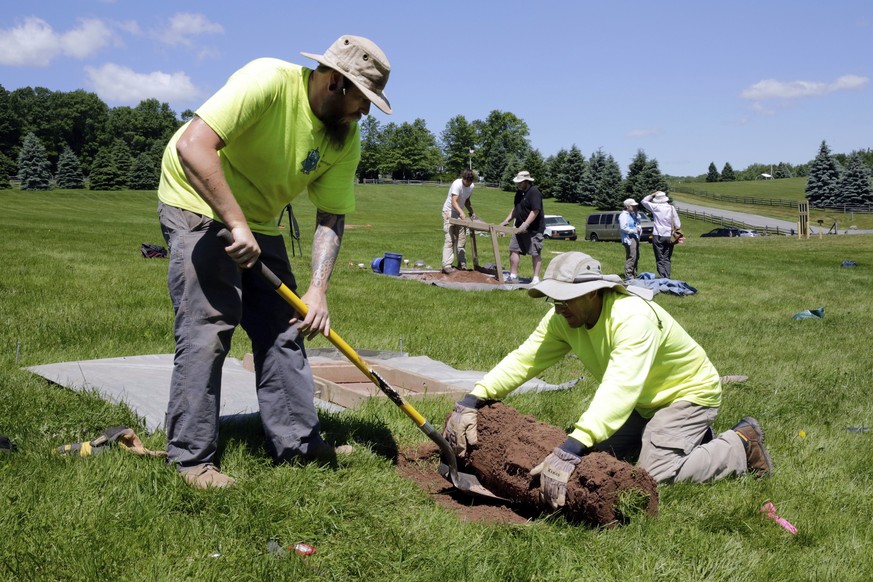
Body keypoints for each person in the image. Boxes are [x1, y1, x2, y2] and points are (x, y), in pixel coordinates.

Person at [156, 35, 392, 489]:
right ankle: (190, 461)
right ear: (337, 82)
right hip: (195, 197)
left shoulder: (345, 136)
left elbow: (331, 216)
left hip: (257, 218)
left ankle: (300, 444)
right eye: (363, 101)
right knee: (209, 327)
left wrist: (318, 290)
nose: (364, 113)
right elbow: (193, 146)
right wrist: (234, 222)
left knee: (286, 324)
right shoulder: (267, 80)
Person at [444, 251, 772, 509]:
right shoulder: (564, 318)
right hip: (642, 402)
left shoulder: (632, 318)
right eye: (553, 299)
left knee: (653, 475)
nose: (558, 308)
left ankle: (740, 445)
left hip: (686, 395)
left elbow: (620, 387)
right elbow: (525, 358)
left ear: (594, 293)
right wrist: (474, 398)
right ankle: (688, 441)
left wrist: (574, 445)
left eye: (565, 299)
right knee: (591, 456)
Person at [499, 171, 544, 284]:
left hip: (534, 229)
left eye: (519, 182)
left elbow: (536, 210)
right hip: (518, 228)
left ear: (526, 181)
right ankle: (513, 276)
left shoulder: (534, 192)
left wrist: (526, 224)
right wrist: (506, 220)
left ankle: (536, 279)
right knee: (514, 249)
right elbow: (516, 209)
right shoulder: (519, 193)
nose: (517, 184)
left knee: (535, 253)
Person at [441, 169, 477, 274]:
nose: (468, 185)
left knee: (461, 239)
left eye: (470, 183)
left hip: (459, 213)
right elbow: (453, 202)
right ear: (463, 179)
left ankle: (462, 263)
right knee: (450, 239)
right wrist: (461, 212)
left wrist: (472, 212)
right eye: (466, 183)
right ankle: (446, 265)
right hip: (449, 212)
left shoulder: (471, 186)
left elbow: (467, 200)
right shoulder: (457, 184)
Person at [641, 191, 681, 278]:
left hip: (658, 234)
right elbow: (677, 223)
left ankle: (662, 277)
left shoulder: (655, 207)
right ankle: (667, 276)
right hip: (669, 235)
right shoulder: (671, 208)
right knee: (667, 258)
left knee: (659, 258)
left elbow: (643, 201)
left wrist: (652, 194)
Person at [618, 198, 642, 280]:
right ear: (627, 206)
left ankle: (634, 273)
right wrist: (633, 231)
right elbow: (623, 227)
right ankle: (628, 274)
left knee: (636, 256)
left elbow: (638, 222)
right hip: (629, 238)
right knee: (632, 256)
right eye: (633, 206)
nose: (635, 207)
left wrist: (637, 214)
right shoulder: (623, 215)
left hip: (635, 237)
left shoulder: (632, 214)